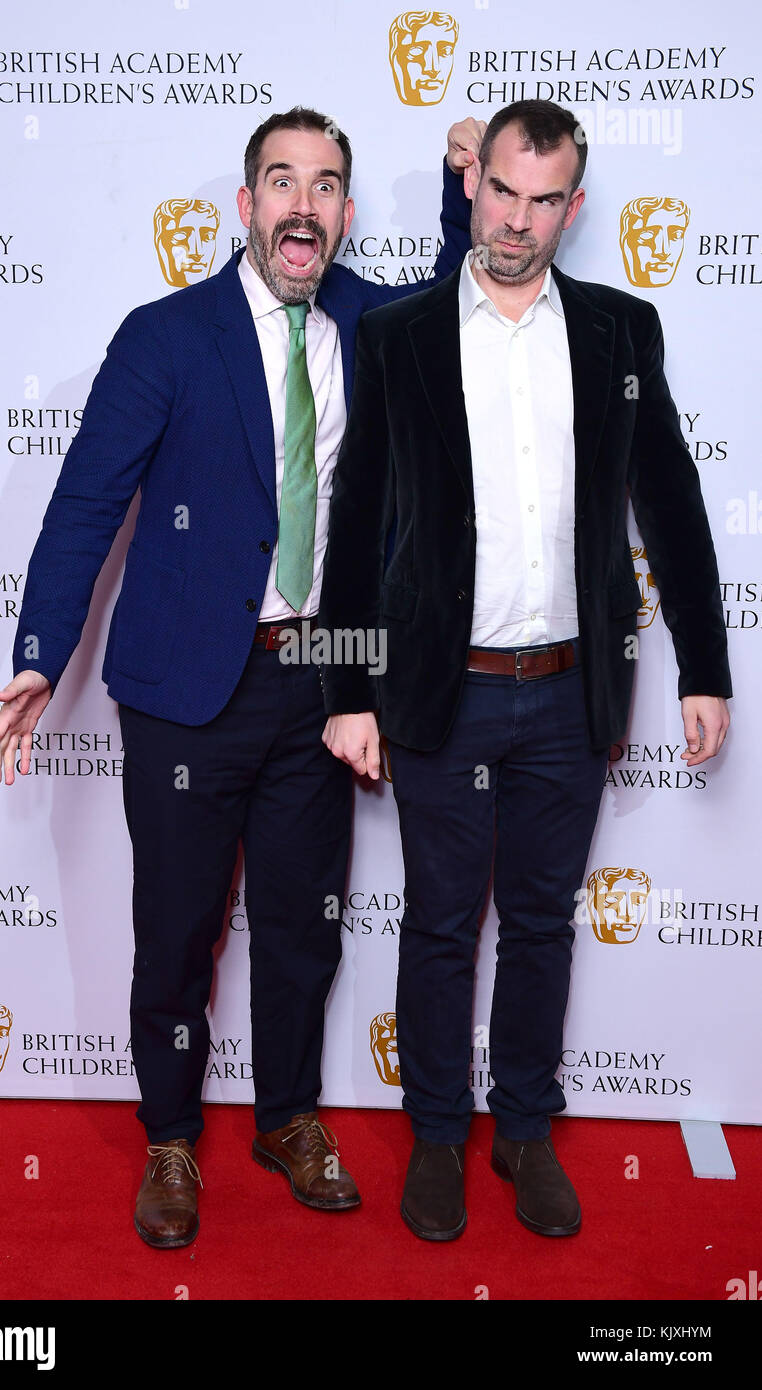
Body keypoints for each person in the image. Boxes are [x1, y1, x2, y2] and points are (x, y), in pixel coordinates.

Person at [0, 106, 483, 1249]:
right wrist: (35, 655)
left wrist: (462, 197)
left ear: (346, 213)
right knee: (176, 929)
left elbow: (464, 307)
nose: (302, 205)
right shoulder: (165, 336)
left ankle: (289, 1117)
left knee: (306, 928)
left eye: (325, 186)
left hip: (322, 673)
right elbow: (84, 509)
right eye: (280, 181)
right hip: (182, 689)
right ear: (248, 204)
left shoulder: (373, 321)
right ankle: (168, 1137)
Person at [318, 99, 731, 1242]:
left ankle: (527, 1131)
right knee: (444, 922)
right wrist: (346, 690)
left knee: (543, 919)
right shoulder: (399, 335)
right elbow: (356, 526)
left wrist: (707, 666)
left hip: (568, 686)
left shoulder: (618, 331)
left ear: (573, 206)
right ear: (472, 186)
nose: (520, 217)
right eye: (503, 190)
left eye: (545, 199)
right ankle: (440, 1137)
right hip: (443, 690)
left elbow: (675, 502)